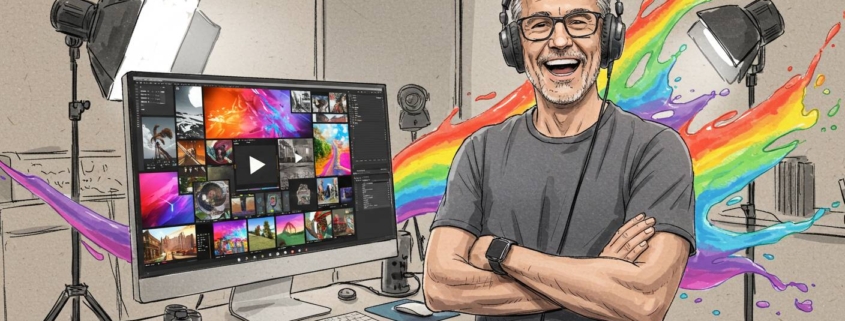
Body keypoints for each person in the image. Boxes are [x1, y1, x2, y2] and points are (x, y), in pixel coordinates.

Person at [423, 1, 695, 321]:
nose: (561, 40)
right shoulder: (480, 149)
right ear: (515, 45)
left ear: (607, 38)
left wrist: (502, 254)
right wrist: (597, 284)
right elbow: (440, 288)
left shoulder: (657, 149)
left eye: (579, 22)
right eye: (539, 25)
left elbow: (645, 300)